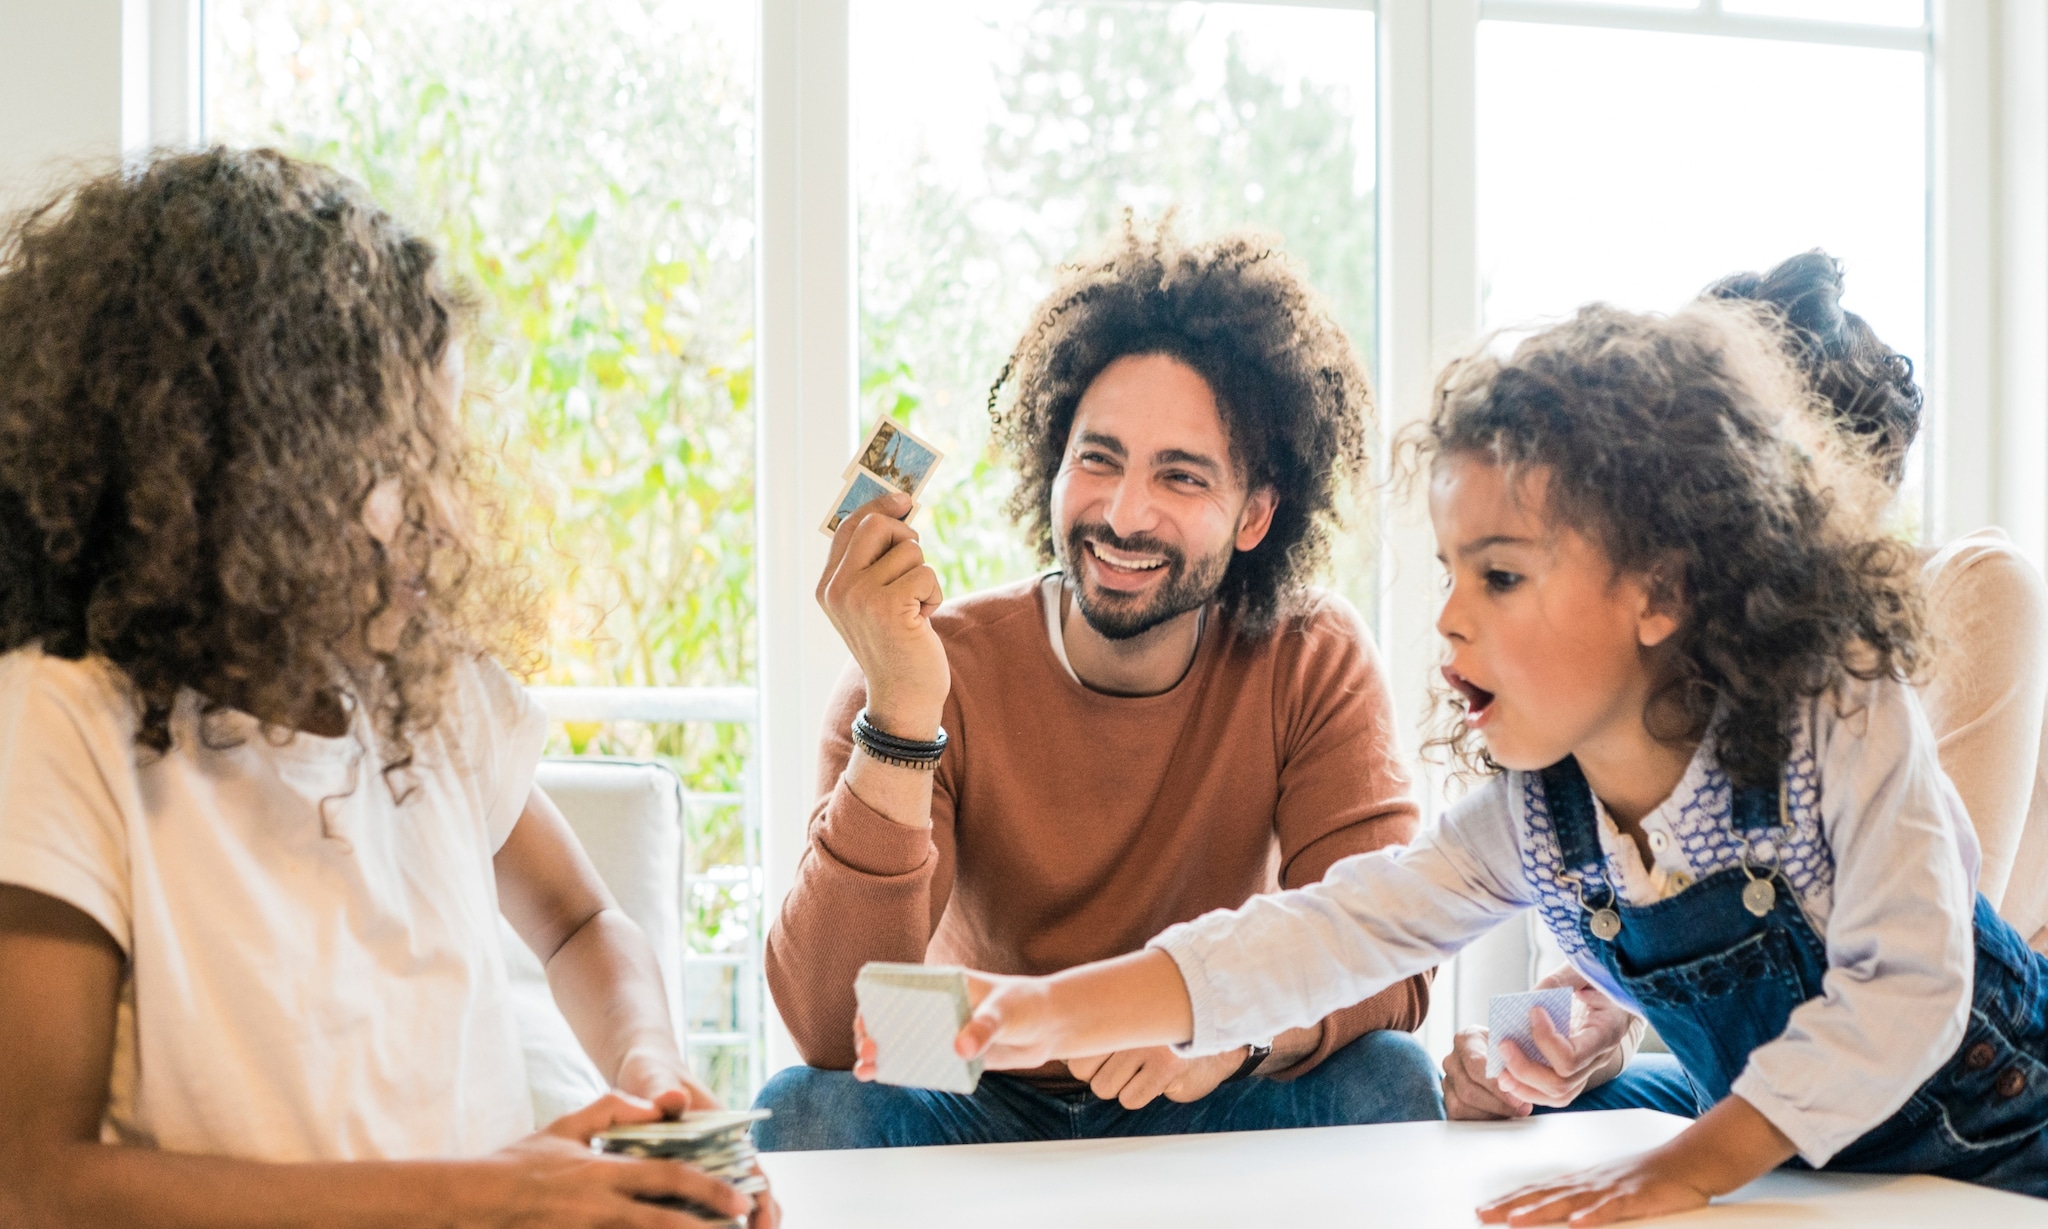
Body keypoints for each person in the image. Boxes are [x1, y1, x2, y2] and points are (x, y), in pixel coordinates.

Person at [943, 301, 2048, 1222]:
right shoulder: (1537, 812)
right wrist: (1045, 1008)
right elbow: (1327, 929)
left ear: (1659, 589)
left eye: (1501, 576)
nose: (1449, 618)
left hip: (2002, 1146)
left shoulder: (1836, 700)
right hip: (1799, 1156)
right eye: (1448, 570)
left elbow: (1907, 991)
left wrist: (1676, 1169)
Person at [0, 149, 773, 1228]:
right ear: (249, 470)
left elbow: (582, 919)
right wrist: (489, 1195)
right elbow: (37, 1177)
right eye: (399, 469)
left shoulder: (435, 696)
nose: (449, 520)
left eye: (444, 465)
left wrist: (650, 1079)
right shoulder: (67, 722)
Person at [752, 219, 1441, 1150]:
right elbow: (834, 1031)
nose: (1123, 515)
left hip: (1209, 1077)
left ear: (1256, 515)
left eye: (1182, 476)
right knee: (805, 1106)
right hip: (979, 1087)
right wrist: (904, 715)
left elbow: (1386, 953)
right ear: (1054, 459)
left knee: (1388, 1077)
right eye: (1099, 458)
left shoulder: (1308, 653)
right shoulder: (923, 667)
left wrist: (1226, 1030)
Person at [1442, 250, 2048, 1124]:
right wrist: (1534, 1050)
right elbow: (1589, 965)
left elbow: (1922, 953)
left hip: (1957, 1090)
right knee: (1522, 1122)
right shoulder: (1653, 656)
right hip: (1736, 1084)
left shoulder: (1975, 589)